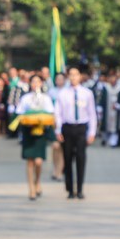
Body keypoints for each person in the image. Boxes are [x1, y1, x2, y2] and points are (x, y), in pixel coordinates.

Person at [54, 65, 98, 199]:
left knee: (81, 158)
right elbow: (58, 113)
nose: (73, 77)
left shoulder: (87, 93)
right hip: (67, 128)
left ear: (80, 76)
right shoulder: (62, 94)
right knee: (67, 159)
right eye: (71, 75)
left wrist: (92, 132)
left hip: (81, 128)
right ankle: (69, 188)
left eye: (76, 74)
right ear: (68, 77)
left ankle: (79, 188)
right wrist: (58, 129)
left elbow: (92, 113)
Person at [15, 73, 56, 201]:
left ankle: (37, 181)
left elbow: (50, 113)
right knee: (30, 161)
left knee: (38, 161)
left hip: (41, 131)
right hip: (28, 131)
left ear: (42, 84)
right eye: (33, 82)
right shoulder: (26, 98)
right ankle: (31, 188)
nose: (35, 84)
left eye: (38, 82)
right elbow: (19, 113)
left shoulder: (46, 98)